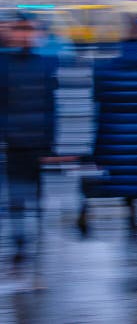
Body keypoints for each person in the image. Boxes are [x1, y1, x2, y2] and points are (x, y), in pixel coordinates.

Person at [78, 17, 137, 280]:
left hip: (112, 138)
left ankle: (87, 211)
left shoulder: (106, 70)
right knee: (133, 201)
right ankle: (135, 253)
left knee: (111, 187)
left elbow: (98, 104)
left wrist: (96, 150)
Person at [0, 15, 58, 267]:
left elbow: (51, 106)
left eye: (29, 30)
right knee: (18, 196)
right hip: (15, 142)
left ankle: (31, 239)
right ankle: (21, 242)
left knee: (33, 195)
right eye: (20, 30)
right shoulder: (5, 65)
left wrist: (51, 141)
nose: (25, 35)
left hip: (35, 142)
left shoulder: (46, 65)